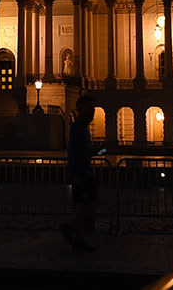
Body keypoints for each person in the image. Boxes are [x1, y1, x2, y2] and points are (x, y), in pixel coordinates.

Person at [60, 95, 98, 251]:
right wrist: (76, 173)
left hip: (81, 170)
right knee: (87, 202)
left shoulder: (82, 126)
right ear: (81, 109)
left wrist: (102, 151)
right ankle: (70, 228)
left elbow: (84, 151)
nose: (92, 111)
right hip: (81, 172)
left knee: (82, 204)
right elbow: (75, 151)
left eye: (92, 108)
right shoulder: (78, 127)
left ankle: (77, 238)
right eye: (88, 108)